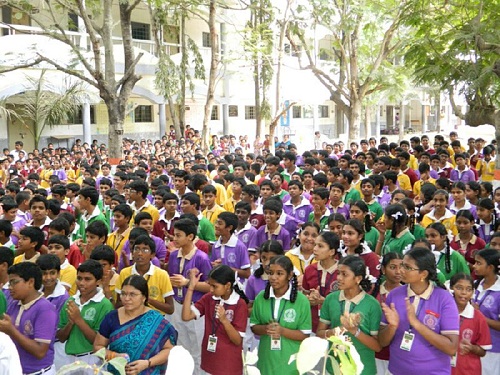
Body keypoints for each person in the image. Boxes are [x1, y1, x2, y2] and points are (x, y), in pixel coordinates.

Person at [378, 248, 459, 375]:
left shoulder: (444, 299)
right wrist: (392, 326)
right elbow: (382, 342)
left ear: (423, 274)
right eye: (401, 265)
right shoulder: (394, 295)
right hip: (396, 371)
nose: (401, 270)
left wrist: (416, 324)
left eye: (407, 267)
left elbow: (451, 348)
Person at [94, 275, 177, 375]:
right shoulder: (112, 317)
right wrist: (115, 356)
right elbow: (98, 346)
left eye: (132, 294)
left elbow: (169, 349)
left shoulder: (156, 320)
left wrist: (147, 363)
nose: (126, 298)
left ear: (144, 297)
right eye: (123, 294)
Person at [317, 255, 382, 375]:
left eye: (344, 274)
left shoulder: (372, 304)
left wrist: (354, 331)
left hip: (362, 370)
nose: (339, 278)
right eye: (338, 273)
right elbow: (319, 333)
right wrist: (334, 332)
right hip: (335, 368)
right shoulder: (331, 299)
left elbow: (377, 346)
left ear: (358, 278)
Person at [181, 265, 248, 375]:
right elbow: (186, 316)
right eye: (210, 285)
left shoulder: (239, 304)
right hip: (210, 359)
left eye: (214, 286)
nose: (211, 289)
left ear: (227, 285)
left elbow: (237, 340)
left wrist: (224, 320)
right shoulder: (209, 298)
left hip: (228, 364)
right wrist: (191, 287)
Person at [250, 255, 311, 375]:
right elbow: (254, 326)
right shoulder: (261, 297)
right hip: (266, 359)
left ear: (289, 275)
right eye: (271, 273)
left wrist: (282, 331)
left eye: (279, 273)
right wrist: (265, 329)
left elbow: (305, 335)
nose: (273, 277)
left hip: (290, 361)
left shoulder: (302, 301)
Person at [3, 262, 58, 375]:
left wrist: (11, 330)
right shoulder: (13, 304)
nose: (10, 288)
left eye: (14, 282)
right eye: (9, 283)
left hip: (38, 372)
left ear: (30, 282)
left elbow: (40, 351)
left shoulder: (45, 309)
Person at [57, 259, 114, 367]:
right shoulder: (70, 301)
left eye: (87, 279)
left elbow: (98, 342)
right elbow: (61, 337)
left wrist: (78, 320)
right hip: (69, 357)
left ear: (98, 281)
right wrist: (70, 323)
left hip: (92, 359)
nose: (82, 283)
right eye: (79, 278)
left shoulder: (105, 305)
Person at [450, 273, 491, 375]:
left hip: (468, 370)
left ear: (473, 292)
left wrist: (472, 348)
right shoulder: (444, 312)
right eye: (459, 288)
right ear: (451, 288)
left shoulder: (478, 317)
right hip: (444, 368)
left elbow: (483, 351)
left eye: (468, 289)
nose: (464, 293)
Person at [371, 252, 403, 374]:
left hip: (398, 355)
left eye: (402, 267)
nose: (398, 271)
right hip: (375, 354)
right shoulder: (373, 292)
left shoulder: (408, 295)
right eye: (393, 267)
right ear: (383, 269)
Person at [302, 231, 340, 333]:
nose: (315, 249)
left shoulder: (342, 272)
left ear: (332, 252)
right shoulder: (310, 269)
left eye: (320, 246)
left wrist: (324, 301)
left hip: (336, 327)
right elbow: (304, 294)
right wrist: (309, 299)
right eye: (315, 245)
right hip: (312, 325)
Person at [472, 249, 500, 374]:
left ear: (490, 267)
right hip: (474, 344)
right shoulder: (475, 285)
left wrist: (480, 316)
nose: (474, 266)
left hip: (493, 349)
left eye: (479, 263)